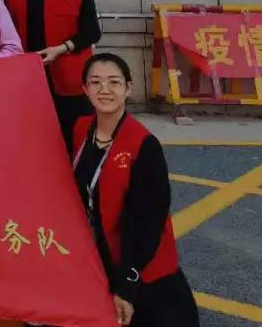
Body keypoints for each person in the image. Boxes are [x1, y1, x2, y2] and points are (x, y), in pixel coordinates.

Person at [72, 53, 199, 327]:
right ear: (85, 89)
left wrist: (127, 284)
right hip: (98, 260)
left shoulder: (144, 146)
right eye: (95, 82)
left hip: (143, 266)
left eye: (114, 82)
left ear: (128, 88)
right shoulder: (81, 130)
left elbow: (148, 222)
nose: (104, 89)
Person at [3, 0, 101, 147]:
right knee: (34, 139)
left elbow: (91, 30)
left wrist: (62, 48)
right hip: (28, 75)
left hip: (70, 75)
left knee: (74, 137)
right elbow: (6, 30)